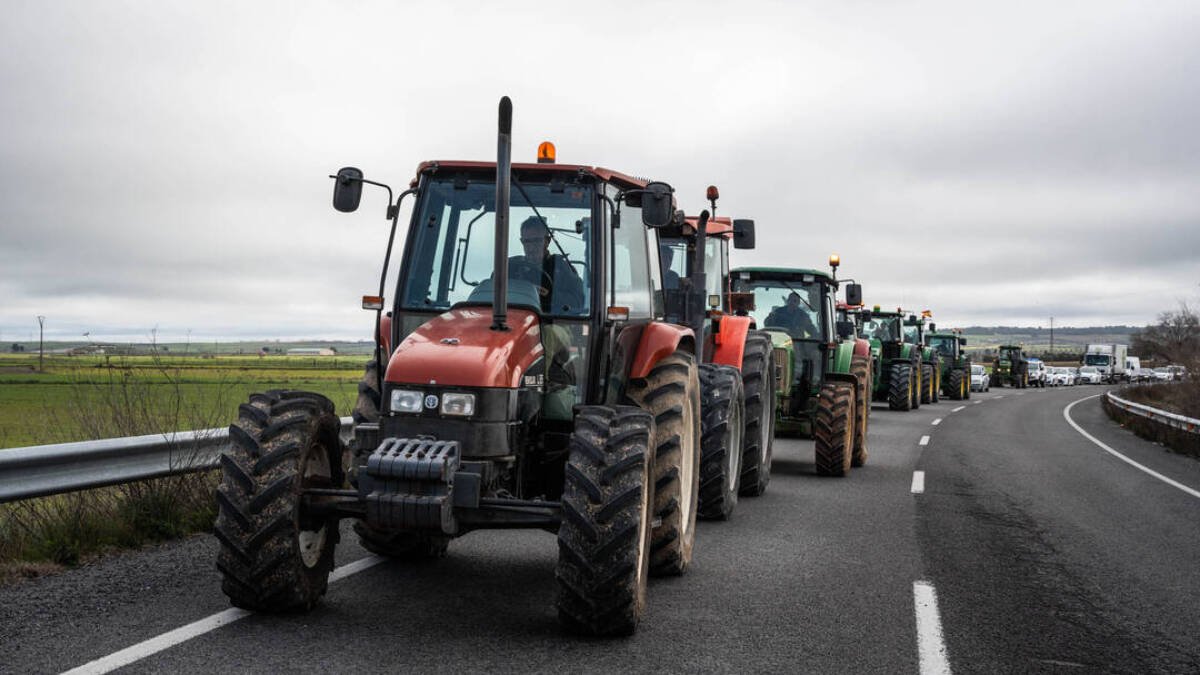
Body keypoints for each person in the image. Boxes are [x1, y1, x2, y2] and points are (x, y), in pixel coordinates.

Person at [508, 216, 585, 313]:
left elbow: (578, 302)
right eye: (527, 242)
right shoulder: (510, 268)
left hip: (552, 321)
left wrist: (549, 295)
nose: (531, 248)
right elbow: (491, 294)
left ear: (547, 241)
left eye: (537, 241)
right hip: (513, 320)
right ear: (522, 241)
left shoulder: (562, 269)